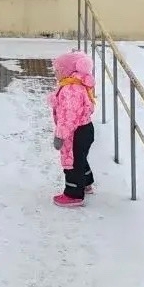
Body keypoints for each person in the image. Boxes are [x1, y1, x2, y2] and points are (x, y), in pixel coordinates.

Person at [48, 50, 96, 207]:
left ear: (67, 71)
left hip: (75, 132)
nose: (55, 73)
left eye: (58, 70)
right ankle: (86, 182)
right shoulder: (76, 84)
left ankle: (73, 193)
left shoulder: (70, 89)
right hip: (85, 128)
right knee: (80, 158)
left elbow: (68, 116)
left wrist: (60, 135)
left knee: (72, 162)